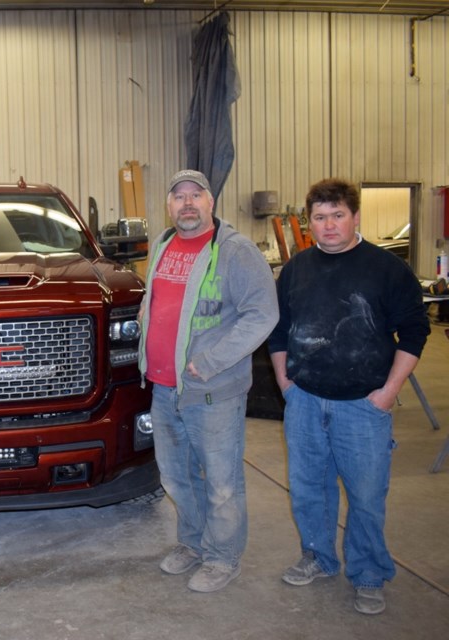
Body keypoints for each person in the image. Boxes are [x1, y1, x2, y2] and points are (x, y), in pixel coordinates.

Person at [268, 178, 429, 615]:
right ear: (310, 222)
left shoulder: (387, 269)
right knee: (308, 490)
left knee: (365, 495)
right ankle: (319, 558)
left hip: (363, 405)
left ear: (355, 217)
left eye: (337, 215)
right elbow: (279, 332)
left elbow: (415, 332)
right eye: (319, 217)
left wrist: (387, 393)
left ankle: (369, 573)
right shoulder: (296, 269)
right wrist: (286, 385)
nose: (329, 225)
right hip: (304, 401)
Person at [139, 169, 278, 593]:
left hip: (212, 389)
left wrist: (212, 360)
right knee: (176, 475)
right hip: (164, 386)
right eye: (178, 196)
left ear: (210, 202)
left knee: (220, 481)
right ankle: (193, 543)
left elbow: (263, 314)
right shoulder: (163, 244)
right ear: (169, 205)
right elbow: (156, 300)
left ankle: (223, 557)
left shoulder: (236, 251)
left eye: (195, 195)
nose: (186, 203)